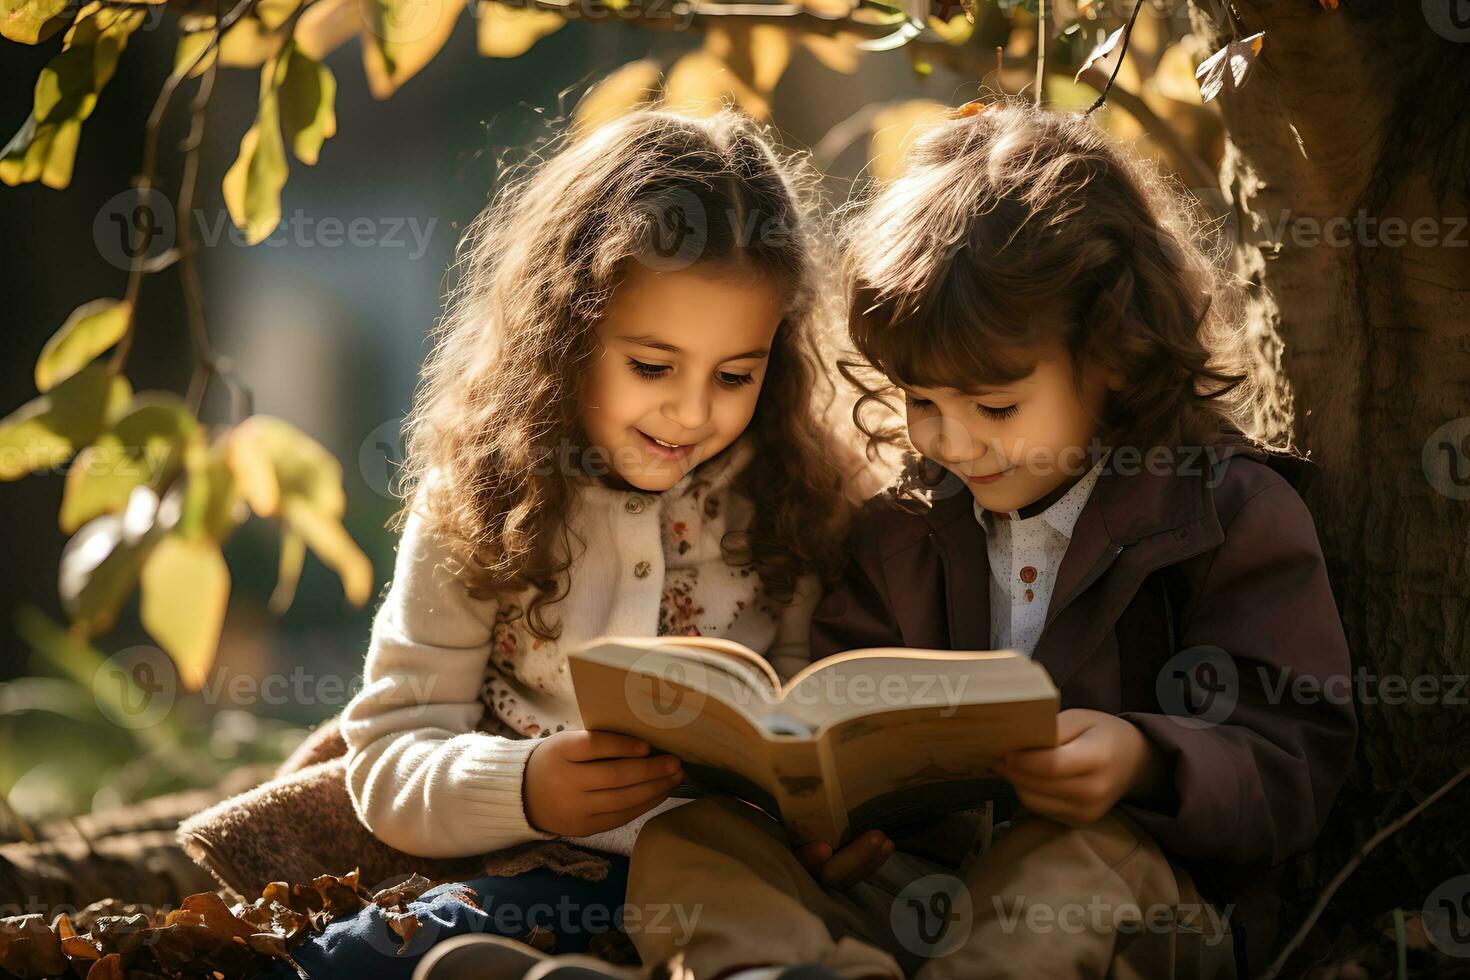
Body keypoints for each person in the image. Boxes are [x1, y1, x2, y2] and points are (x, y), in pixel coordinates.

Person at [623, 97, 1358, 980]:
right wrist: (823, 830)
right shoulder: (902, 530)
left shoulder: (1224, 513)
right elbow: (842, 724)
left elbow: (1296, 757)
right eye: (922, 402)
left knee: (1064, 859)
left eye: (996, 407)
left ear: (1114, 357)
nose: (952, 441)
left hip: (1132, 900)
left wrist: (1145, 761)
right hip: (925, 896)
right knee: (689, 843)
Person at [265, 106, 877, 979]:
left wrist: (817, 826)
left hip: (730, 891)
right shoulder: (481, 499)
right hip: (518, 874)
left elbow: (797, 737)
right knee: (350, 964)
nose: (694, 412)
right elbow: (390, 757)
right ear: (567, 332)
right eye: (653, 367)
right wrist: (528, 785)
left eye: (736, 375)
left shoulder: (788, 503)